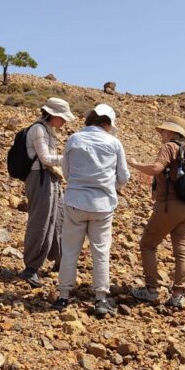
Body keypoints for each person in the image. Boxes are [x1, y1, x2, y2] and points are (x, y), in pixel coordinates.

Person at [52, 104, 130, 318]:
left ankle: (63, 295)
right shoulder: (114, 143)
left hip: (75, 201)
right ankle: (101, 298)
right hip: (102, 205)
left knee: (69, 250)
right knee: (101, 252)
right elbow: (123, 177)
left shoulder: (74, 139)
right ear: (107, 123)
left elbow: (66, 170)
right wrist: (109, 187)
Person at [128, 116, 185, 309]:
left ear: (170, 132)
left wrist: (135, 164)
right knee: (182, 250)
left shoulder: (170, 147)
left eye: (162, 131)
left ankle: (150, 290)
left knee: (147, 245)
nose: (161, 134)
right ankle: (177, 295)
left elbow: (156, 168)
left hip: (169, 206)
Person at [18, 97, 75, 288]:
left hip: (50, 178)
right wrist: (69, 158)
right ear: (54, 115)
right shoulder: (39, 130)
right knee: (41, 221)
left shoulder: (47, 130)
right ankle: (31, 268)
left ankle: (59, 260)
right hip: (40, 178)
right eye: (63, 118)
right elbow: (45, 158)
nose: (65, 122)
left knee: (58, 219)